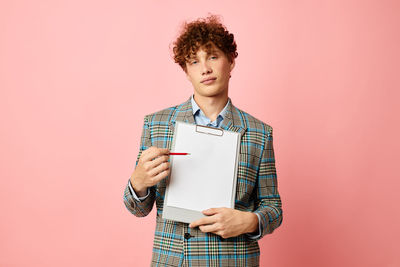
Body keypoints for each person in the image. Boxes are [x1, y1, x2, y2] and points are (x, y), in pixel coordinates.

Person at [123, 14, 283, 267]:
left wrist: (251, 221)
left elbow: (272, 206)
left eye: (213, 56)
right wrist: (138, 182)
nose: (205, 69)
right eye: (194, 61)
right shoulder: (157, 124)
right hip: (175, 260)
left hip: (235, 259)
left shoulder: (258, 133)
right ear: (186, 71)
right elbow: (138, 208)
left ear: (231, 61)